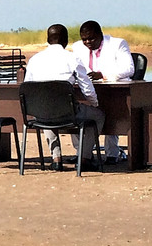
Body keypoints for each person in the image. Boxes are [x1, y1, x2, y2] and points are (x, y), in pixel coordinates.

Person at [23, 23, 104, 168]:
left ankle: (56, 160)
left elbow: (28, 88)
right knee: (98, 116)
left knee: (45, 109)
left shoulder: (34, 60)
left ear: (48, 40)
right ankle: (84, 158)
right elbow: (87, 89)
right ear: (66, 41)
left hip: (41, 113)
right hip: (68, 114)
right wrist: (94, 104)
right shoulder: (72, 59)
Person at [70, 21, 136, 162]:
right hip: (87, 89)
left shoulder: (117, 44)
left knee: (111, 113)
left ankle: (112, 154)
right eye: (84, 39)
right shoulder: (77, 47)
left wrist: (103, 74)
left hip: (113, 89)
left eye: (91, 38)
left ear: (100, 35)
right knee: (73, 111)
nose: (87, 42)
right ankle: (81, 154)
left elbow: (129, 69)